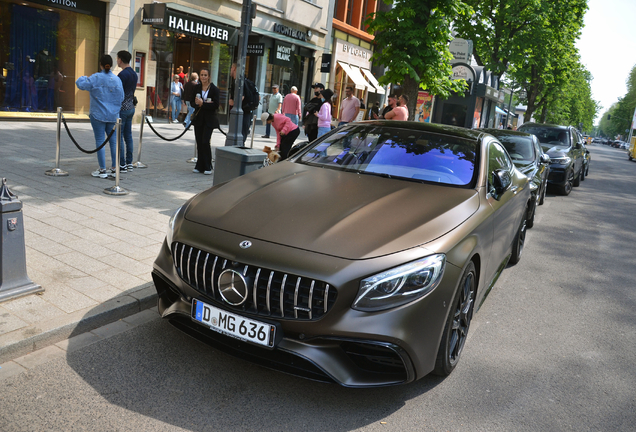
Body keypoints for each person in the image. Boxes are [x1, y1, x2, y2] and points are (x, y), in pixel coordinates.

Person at [76, 54, 124, 178]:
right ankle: (114, 167)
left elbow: (80, 84)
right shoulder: (117, 79)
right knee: (113, 141)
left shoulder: (96, 77)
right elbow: (122, 97)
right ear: (111, 65)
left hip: (98, 114)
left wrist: (83, 76)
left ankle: (102, 169)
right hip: (113, 115)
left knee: (99, 140)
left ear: (101, 64)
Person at [191, 68, 220, 175]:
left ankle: (208, 165)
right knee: (199, 142)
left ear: (209, 77)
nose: (203, 77)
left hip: (209, 119)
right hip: (198, 119)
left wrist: (204, 104)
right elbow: (191, 101)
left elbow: (216, 105)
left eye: (205, 75)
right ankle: (199, 165)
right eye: (202, 75)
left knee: (205, 142)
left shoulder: (214, 89)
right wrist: (197, 103)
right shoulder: (197, 88)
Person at [116, 50, 138, 172]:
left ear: (120, 59)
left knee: (119, 136)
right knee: (128, 136)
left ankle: (122, 164)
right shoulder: (134, 74)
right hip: (131, 107)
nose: (117, 60)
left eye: (117, 58)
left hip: (122, 108)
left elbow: (119, 93)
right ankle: (129, 162)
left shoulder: (122, 75)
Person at [229, 62, 257, 144]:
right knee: (241, 137)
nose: (230, 70)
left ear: (234, 69)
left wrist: (233, 103)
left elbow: (241, 97)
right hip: (246, 113)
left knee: (239, 139)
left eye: (231, 68)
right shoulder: (244, 81)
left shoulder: (238, 82)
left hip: (241, 114)